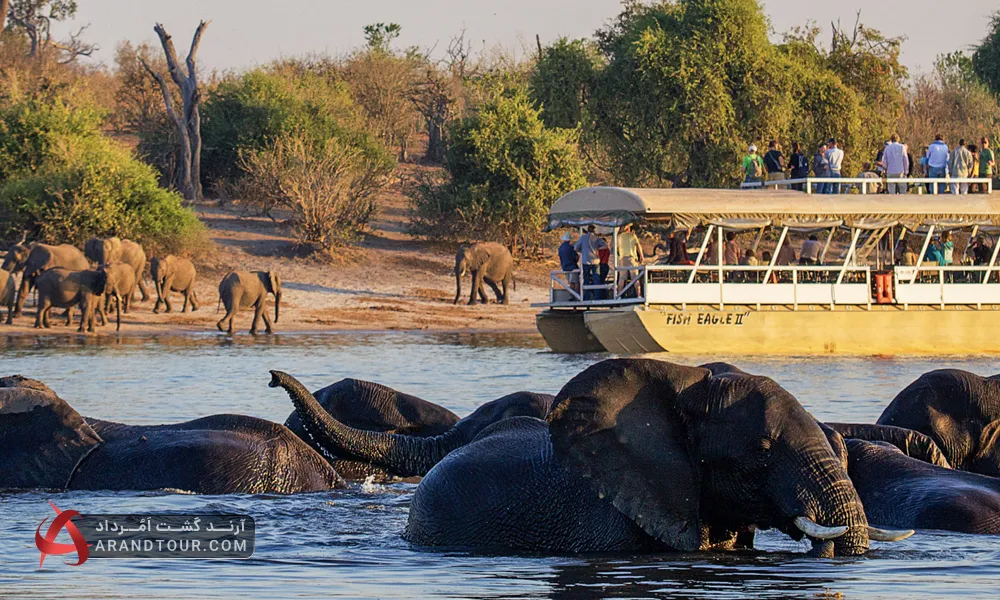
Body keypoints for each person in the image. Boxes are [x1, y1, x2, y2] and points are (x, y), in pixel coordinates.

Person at [574, 225, 607, 301]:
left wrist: (582, 251)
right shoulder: (596, 238)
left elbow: (575, 248)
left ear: (587, 230)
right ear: (594, 231)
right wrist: (598, 248)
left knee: (586, 279)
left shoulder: (583, 237)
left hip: (586, 261)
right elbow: (605, 246)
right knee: (596, 278)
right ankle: (597, 297)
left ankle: (586, 297)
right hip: (595, 261)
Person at [617, 223, 644, 296]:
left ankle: (618, 296)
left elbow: (616, 249)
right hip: (632, 258)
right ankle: (639, 295)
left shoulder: (618, 237)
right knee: (635, 278)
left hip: (622, 259)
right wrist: (641, 256)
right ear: (628, 228)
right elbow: (638, 246)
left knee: (621, 279)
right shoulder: (632, 236)